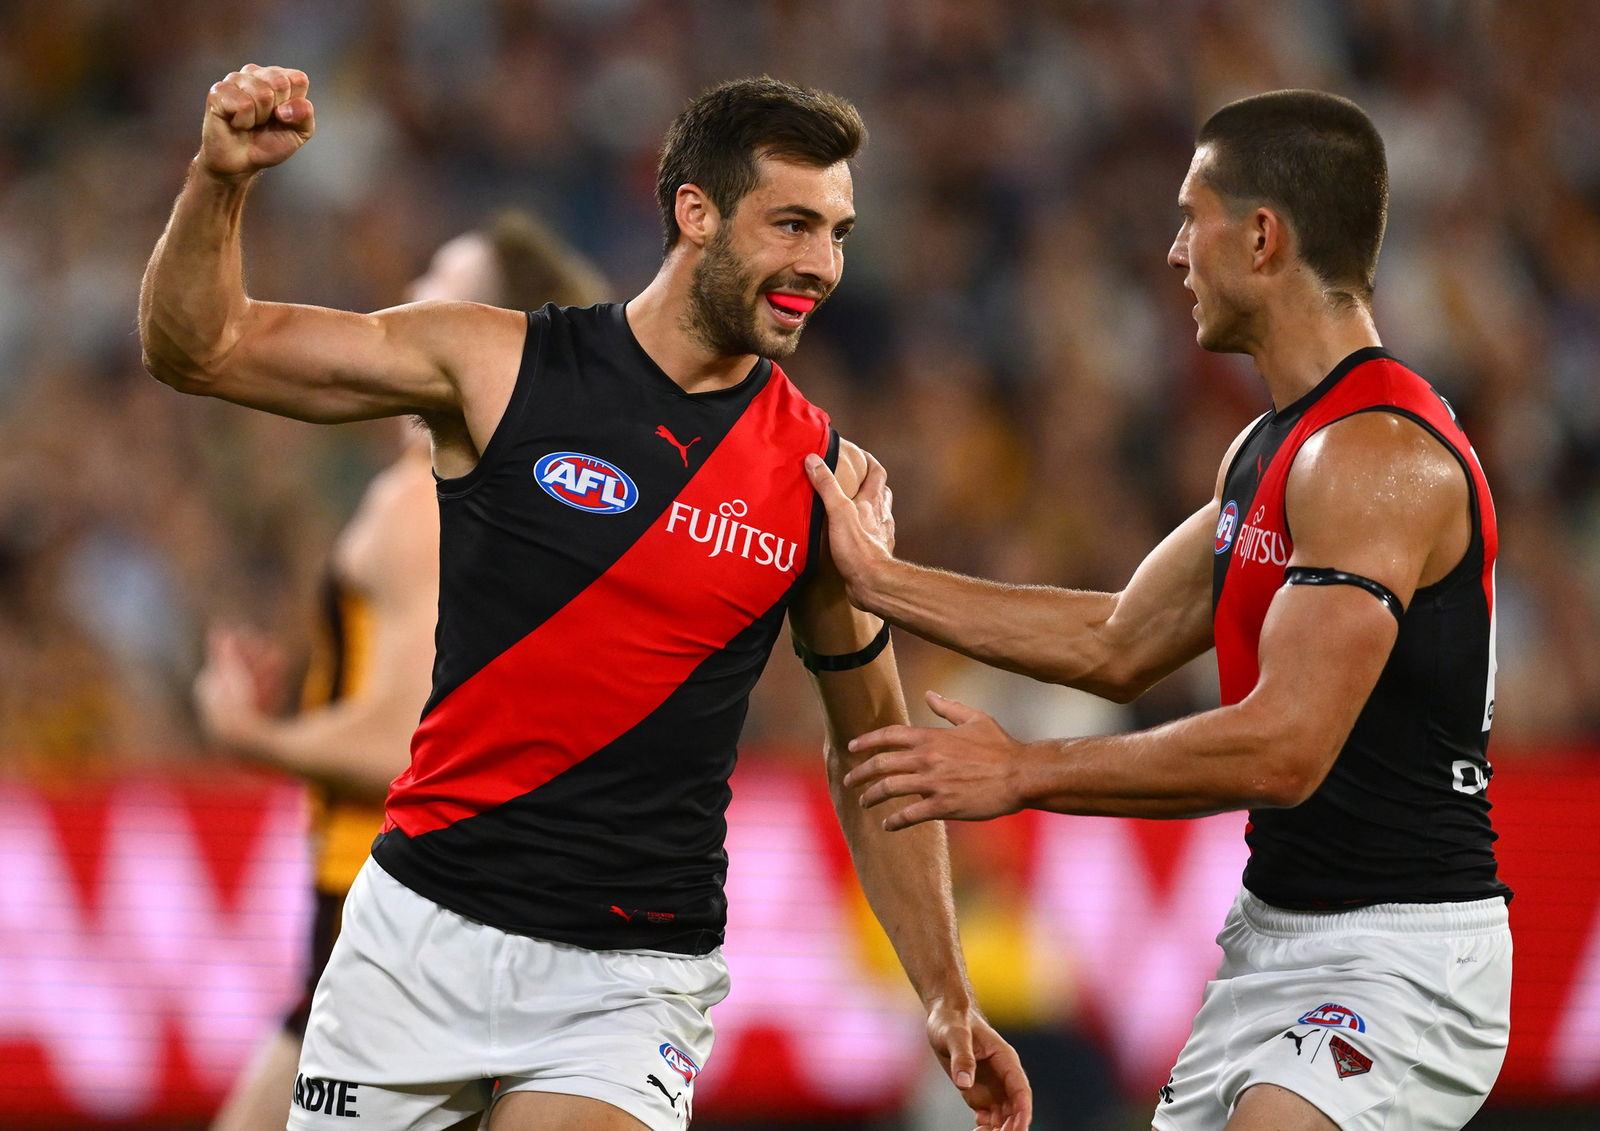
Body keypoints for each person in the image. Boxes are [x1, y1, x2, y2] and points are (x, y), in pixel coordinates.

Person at [140, 65, 1030, 1131]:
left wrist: (943, 990)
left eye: (837, 231)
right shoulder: (497, 367)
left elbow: (874, 751)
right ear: (694, 213)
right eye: (792, 225)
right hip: (420, 935)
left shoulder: (820, 479)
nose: (821, 265)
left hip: (629, 973)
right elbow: (204, 348)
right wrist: (218, 179)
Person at [807, 90, 1511, 1131]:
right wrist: (879, 580)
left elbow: (1282, 749)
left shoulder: (1375, 456)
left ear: (1262, 237)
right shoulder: (1270, 447)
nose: (1176, 251)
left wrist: (1022, 772)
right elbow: (1117, 640)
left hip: (1398, 953)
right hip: (1273, 936)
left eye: (1193, 217)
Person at [196, 212, 608, 1131]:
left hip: (381, 898)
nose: (411, 293)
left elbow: (400, 745)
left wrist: (247, 733)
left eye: (439, 276)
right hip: (480, 895)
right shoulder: (538, 504)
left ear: (487, 324)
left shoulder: (419, 502)